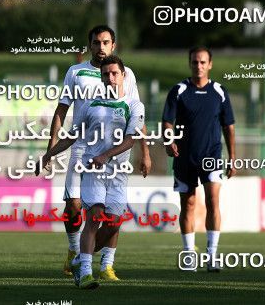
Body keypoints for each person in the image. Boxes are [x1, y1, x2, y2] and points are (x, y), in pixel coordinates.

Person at [46, 25, 149, 279]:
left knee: (113, 215)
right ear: (90, 45)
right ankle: (75, 251)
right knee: (73, 206)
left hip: (114, 152)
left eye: (105, 42)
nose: (101, 47)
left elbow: (137, 117)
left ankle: (105, 264)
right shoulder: (76, 72)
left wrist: (145, 151)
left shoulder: (126, 74)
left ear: (113, 45)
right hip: (81, 147)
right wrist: (50, 148)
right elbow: (62, 110)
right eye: (96, 43)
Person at [162, 47, 236, 272]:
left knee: (213, 200)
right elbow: (167, 122)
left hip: (212, 155)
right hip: (185, 157)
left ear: (210, 64)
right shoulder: (179, 90)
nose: (199, 66)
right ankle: (189, 255)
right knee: (189, 204)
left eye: (203, 62)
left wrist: (232, 157)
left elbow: (229, 126)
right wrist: (168, 141)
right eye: (195, 62)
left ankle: (212, 256)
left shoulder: (219, 92)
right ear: (190, 64)